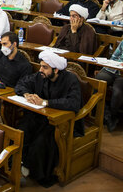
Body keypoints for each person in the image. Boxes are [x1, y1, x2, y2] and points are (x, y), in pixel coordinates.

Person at [15, 50, 82, 186]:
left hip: (62, 121)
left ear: (56, 70)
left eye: (45, 67)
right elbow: (21, 83)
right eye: (41, 66)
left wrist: (46, 102)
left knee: (41, 141)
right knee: (22, 129)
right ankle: (18, 164)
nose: (41, 70)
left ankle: (37, 174)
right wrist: (27, 94)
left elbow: (73, 104)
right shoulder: (41, 76)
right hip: (41, 116)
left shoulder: (70, 80)